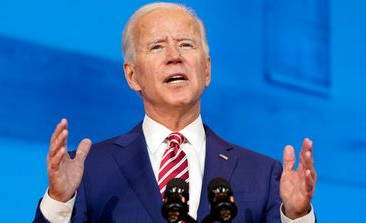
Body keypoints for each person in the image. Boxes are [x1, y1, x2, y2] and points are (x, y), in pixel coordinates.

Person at [33, 2, 317, 223]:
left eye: (186, 44)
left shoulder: (263, 175)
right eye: (157, 47)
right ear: (132, 76)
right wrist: (60, 200)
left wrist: (295, 216)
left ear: (206, 70)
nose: (174, 56)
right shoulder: (90, 171)